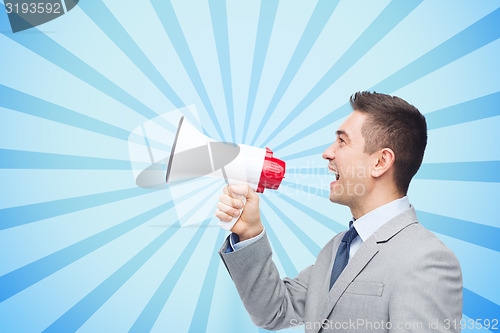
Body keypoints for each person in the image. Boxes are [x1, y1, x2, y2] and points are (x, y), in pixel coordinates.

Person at [214, 91, 463, 332]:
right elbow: (275, 312)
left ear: (380, 162)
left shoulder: (427, 260)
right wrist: (249, 233)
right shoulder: (336, 251)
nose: (327, 153)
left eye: (342, 141)